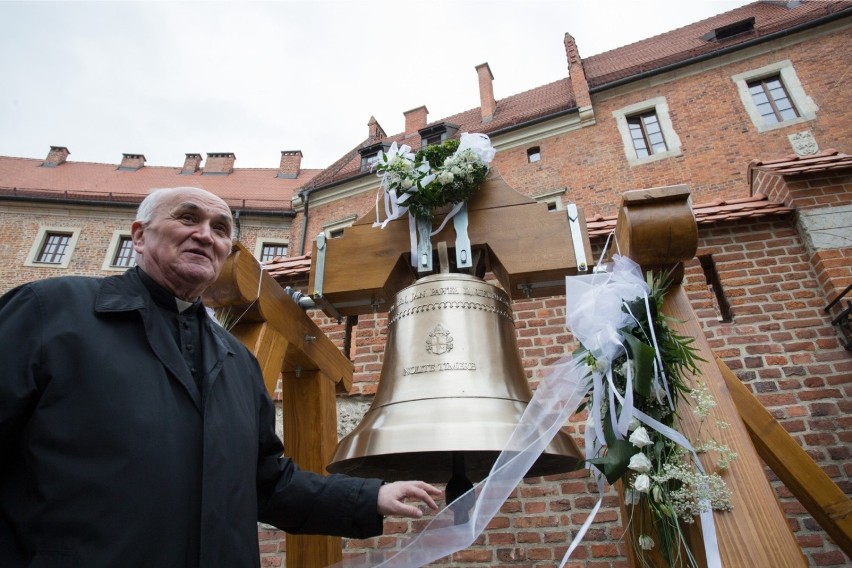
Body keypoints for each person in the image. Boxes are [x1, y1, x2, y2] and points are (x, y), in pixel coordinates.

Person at [0, 186, 441, 567]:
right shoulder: (51, 311)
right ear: (139, 235)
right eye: (187, 218)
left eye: (220, 228)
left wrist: (371, 496)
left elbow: (267, 482)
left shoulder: (236, 361)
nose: (204, 234)